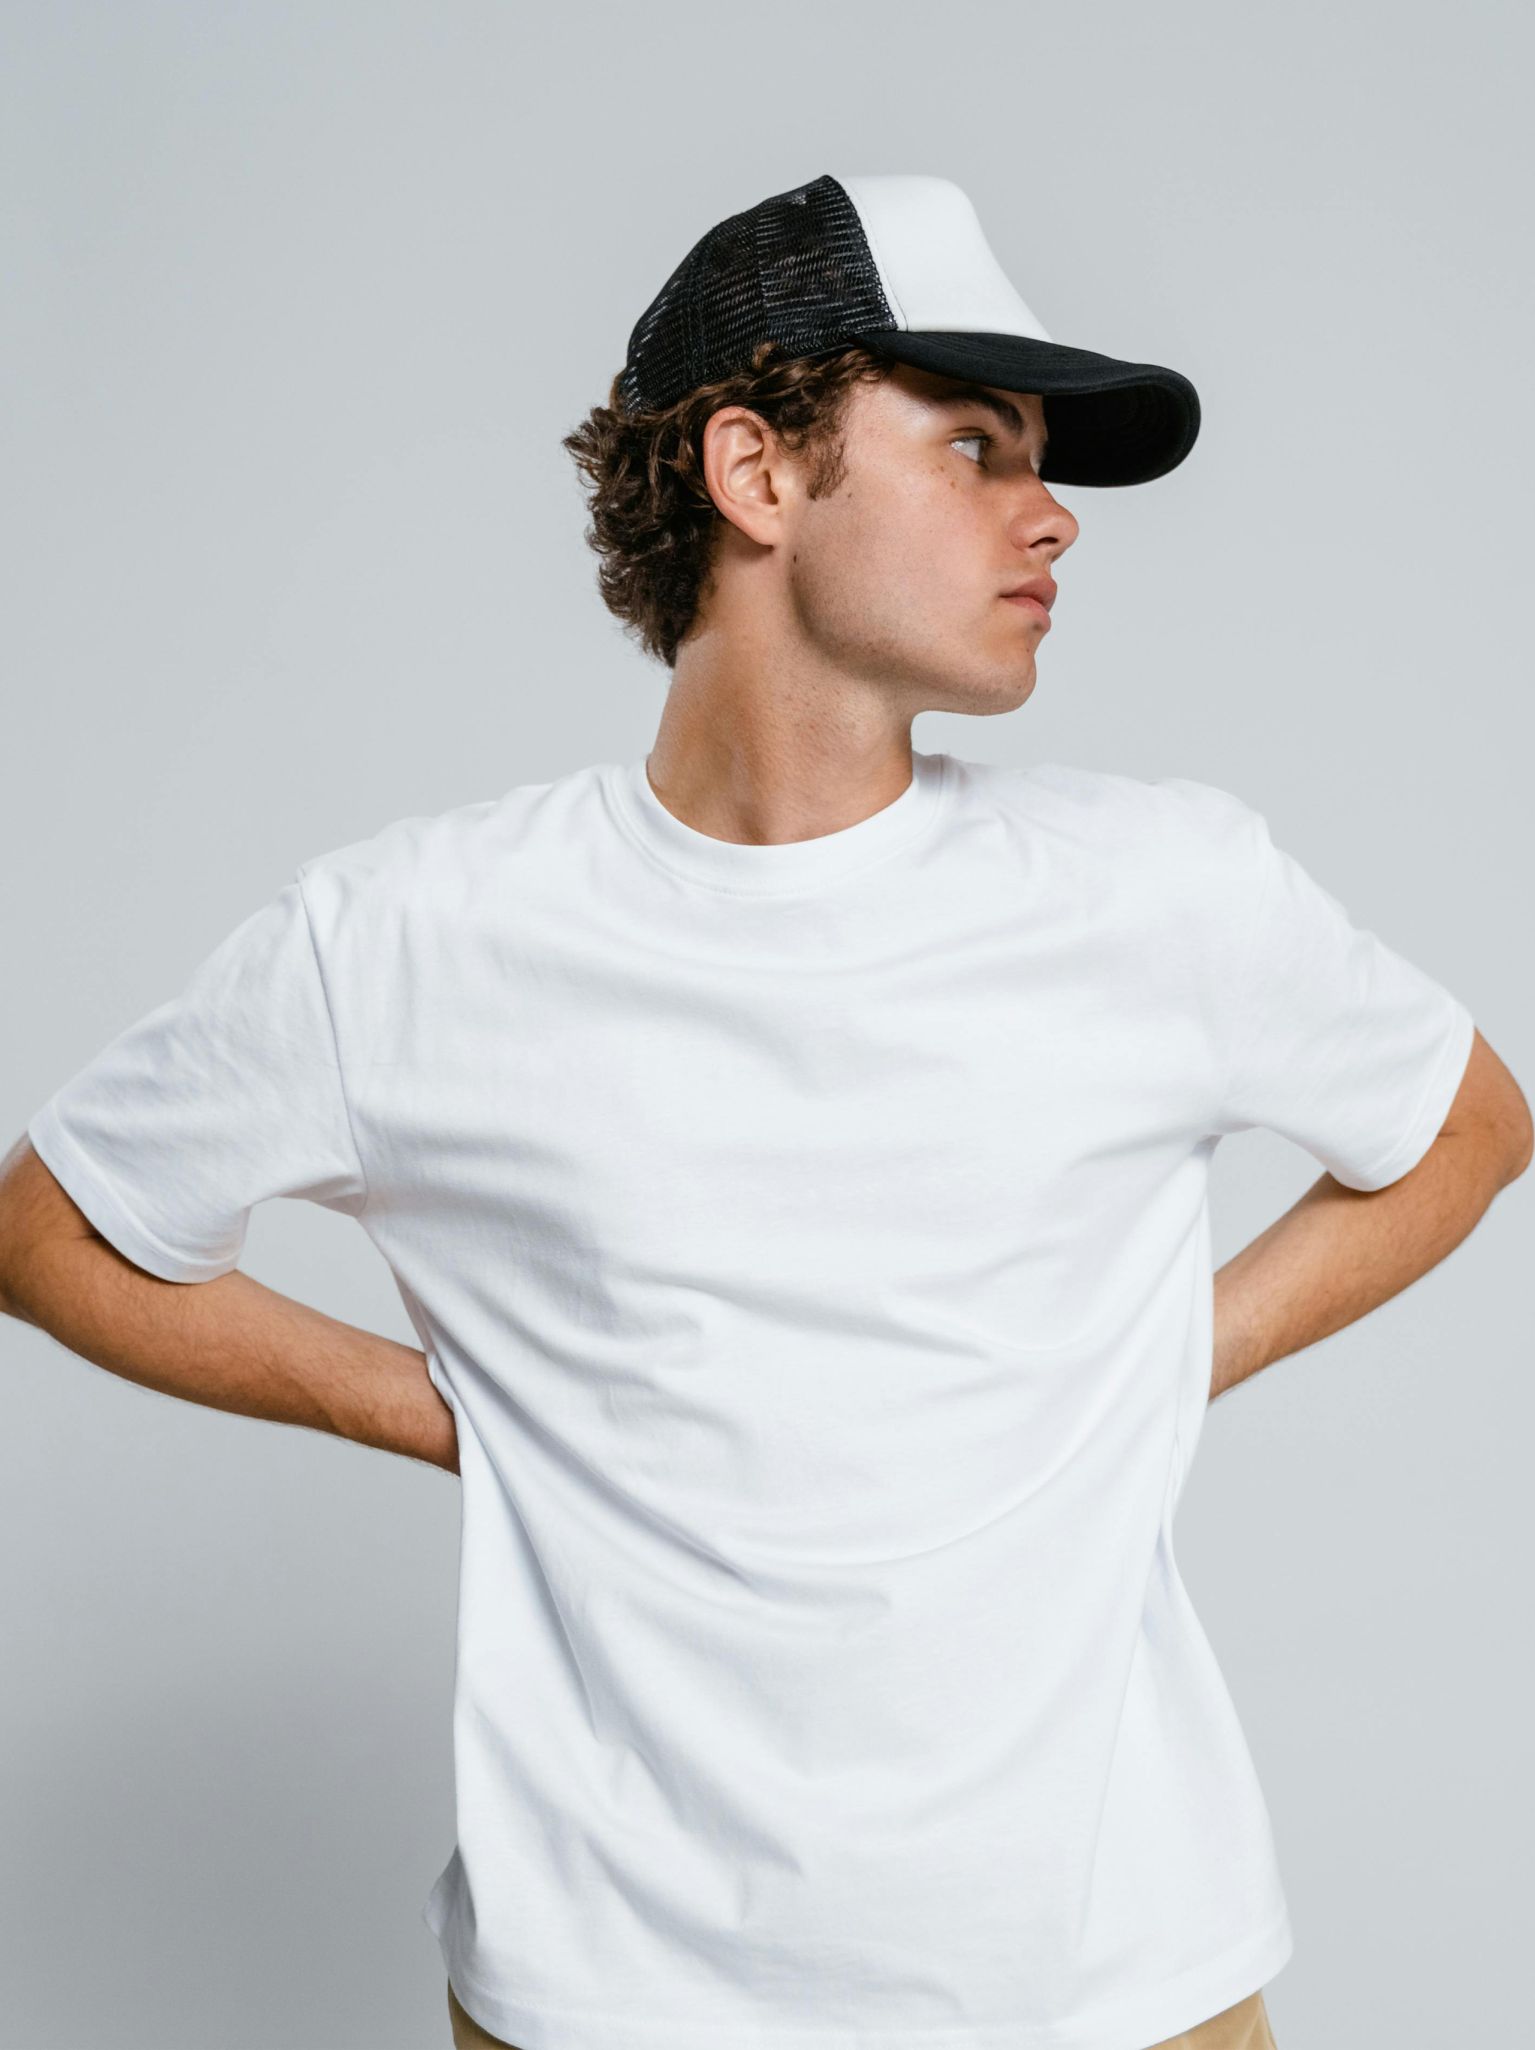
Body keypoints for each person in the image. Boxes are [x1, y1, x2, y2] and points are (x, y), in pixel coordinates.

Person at [1, 172, 1528, 2050]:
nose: (1050, 510)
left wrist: (1151, 1360)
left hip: (1116, 1987)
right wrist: (460, 1410)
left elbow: (1466, 1121)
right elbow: (48, 1227)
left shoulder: (1162, 893)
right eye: (972, 445)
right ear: (756, 471)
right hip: (611, 1995)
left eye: (1040, 458)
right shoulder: (413, 940)